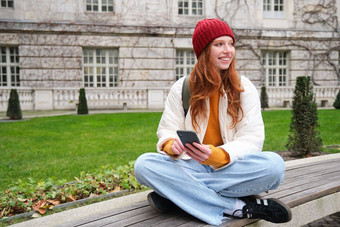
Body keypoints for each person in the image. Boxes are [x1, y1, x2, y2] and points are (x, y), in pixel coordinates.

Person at [134, 18, 292, 226]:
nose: (228, 50)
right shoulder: (182, 88)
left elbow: (252, 140)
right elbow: (167, 130)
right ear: (203, 51)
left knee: (274, 166)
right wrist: (171, 145)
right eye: (219, 44)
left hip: (231, 167)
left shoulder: (244, 87)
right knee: (144, 165)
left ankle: (179, 196)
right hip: (191, 165)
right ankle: (236, 207)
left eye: (231, 43)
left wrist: (219, 155)